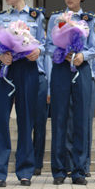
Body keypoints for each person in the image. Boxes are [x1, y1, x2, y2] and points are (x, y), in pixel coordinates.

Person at [0, 0, 45, 187]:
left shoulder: (36, 16)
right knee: (0, 119)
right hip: (5, 69)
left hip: (28, 70)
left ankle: (25, 171)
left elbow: (45, 43)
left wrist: (38, 51)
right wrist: (0, 56)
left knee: (26, 120)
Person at [46, 0, 95, 185]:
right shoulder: (55, 18)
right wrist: (61, 52)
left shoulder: (89, 19)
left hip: (82, 69)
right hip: (61, 68)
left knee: (81, 119)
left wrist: (82, 56)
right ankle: (58, 170)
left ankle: (78, 170)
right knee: (59, 117)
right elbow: (48, 45)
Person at [33, 42, 52, 176]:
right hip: (24, 78)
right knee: (25, 124)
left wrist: (49, 89)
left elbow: (48, 64)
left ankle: (37, 163)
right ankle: (24, 159)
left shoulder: (42, 42)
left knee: (40, 124)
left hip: (41, 79)